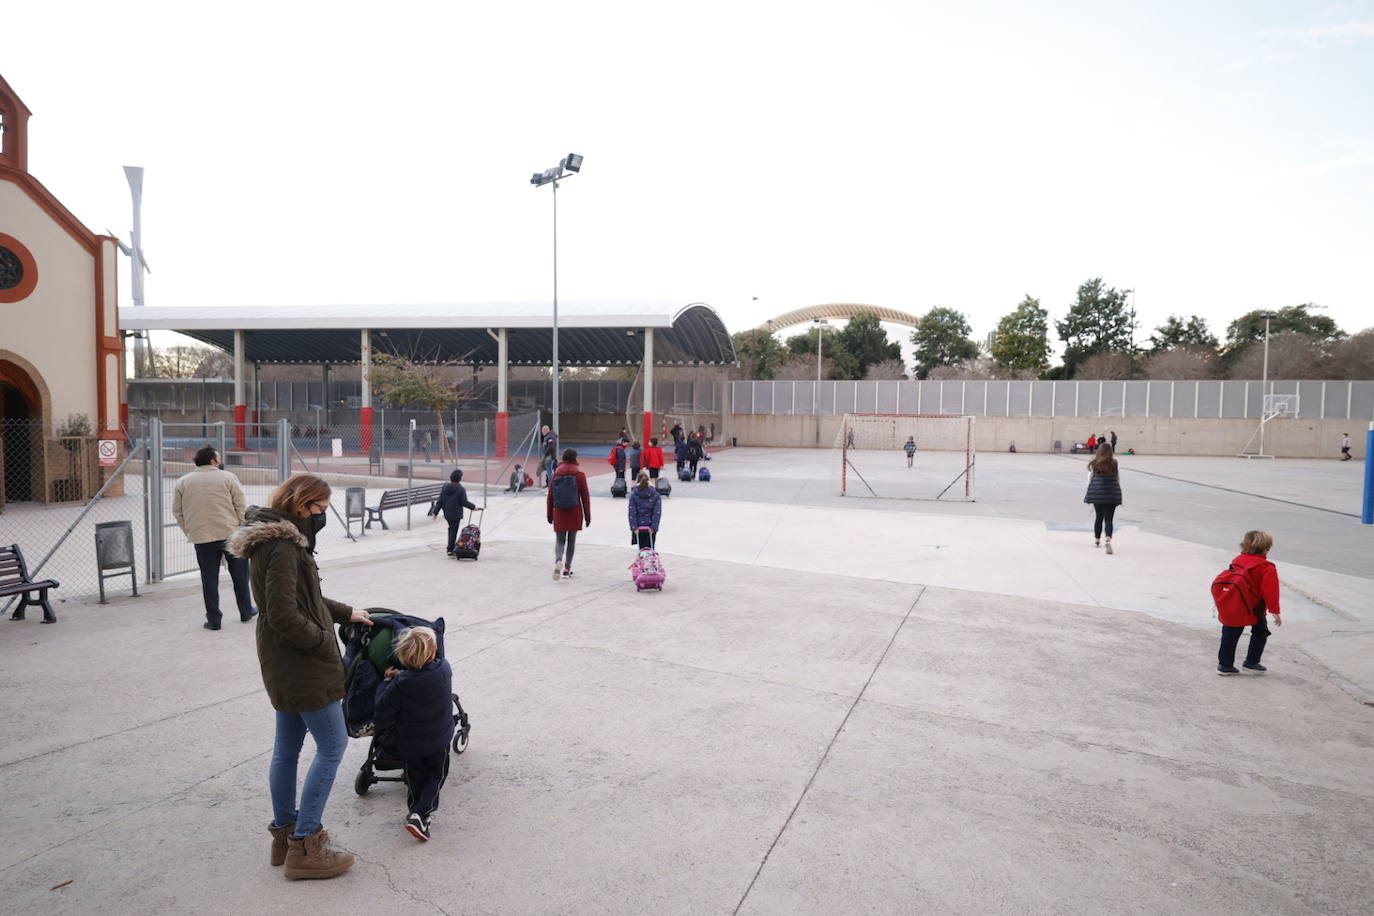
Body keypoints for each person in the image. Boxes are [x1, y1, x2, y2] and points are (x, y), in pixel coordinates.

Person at [225, 473, 373, 880]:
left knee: (286, 749)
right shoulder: (284, 546)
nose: (322, 517)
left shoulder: (271, 537)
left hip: (281, 662)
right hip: (301, 663)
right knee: (332, 746)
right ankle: (306, 844)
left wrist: (345, 613)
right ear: (302, 503)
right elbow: (283, 612)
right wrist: (323, 640)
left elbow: (303, 596)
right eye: (320, 509)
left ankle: (284, 834)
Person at [374, 626, 454, 841]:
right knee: (436, 774)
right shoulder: (444, 669)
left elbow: (382, 711)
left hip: (410, 744)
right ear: (431, 653)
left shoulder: (399, 685)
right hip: (439, 738)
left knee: (415, 777)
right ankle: (421, 814)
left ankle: (415, 812)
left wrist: (386, 682)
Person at [173, 445, 256, 630]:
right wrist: (243, 528)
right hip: (230, 534)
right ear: (213, 461)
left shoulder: (183, 482)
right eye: (219, 458)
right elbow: (240, 505)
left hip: (201, 537)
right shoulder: (228, 477)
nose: (220, 461)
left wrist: (190, 531)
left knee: (209, 578)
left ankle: (214, 619)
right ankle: (245, 611)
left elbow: (177, 511)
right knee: (240, 575)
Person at [1217, 530, 1281, 675]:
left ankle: (1224, 666)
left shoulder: (1237, 560)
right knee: (1260, 632)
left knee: (1230, 634)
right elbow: (1271, 591)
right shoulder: (1266, 567)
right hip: (1254, 607)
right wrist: (1275, 611)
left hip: (1235, 604)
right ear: (1266, 548)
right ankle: (1251, 662)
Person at [547, 448, 591, 580]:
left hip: (559, 512)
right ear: (575, 458)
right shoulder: (579, 474)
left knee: (560, 540)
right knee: (571, 541)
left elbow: (550, 496)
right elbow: (585, 497)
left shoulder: (556, 474)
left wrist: (549, 515)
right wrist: (588, 517)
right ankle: (567, 569)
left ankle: (558, 560)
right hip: (574, 512)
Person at [1084, 443, 1123, 554]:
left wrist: (1090, 492)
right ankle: (1108, 539)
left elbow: (1090, 479)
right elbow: (1117, 478)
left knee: (1099, 517)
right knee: (1109, 519)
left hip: (1098, 494)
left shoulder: (1094, 463)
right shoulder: (1114, 463)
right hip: (1111, 494)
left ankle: (1097, 540)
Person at [433, 469, 477, 556]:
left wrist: (435, 512)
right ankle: (450, 549)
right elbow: (463, 502)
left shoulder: (445, 488)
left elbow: (440, 501)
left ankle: (450, 547)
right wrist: (473, 507)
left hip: (447, 513)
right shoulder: (460, 489)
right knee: (453, 530)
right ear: (459, 479)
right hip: (456, 514)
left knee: (451, 529)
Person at [627, 471, 662, 549]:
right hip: (650, 526)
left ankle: (642, 559)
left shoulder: (634, 494)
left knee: (641, 548)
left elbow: (632, 512)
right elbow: (657, 513)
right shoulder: (656, 495)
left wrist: (634, 527)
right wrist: (654, 527)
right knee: (650, 547)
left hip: (639, 526)